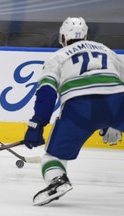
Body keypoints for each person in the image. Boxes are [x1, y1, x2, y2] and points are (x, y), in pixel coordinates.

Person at [23, 17, 124, 206]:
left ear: (63, 37)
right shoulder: (106, 50)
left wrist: (38, 123)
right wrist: (113, 121)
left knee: (52, 158)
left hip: (80, 108)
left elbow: (47, 92)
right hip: (117, 100)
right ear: (86, 35)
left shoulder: (58, 56)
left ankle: (58, 180)